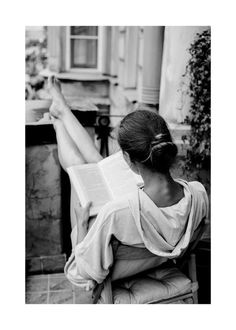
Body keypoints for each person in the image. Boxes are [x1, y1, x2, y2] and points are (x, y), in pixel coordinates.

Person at [48, 76, 209, 286]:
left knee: (78, 170)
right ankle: (61, 112)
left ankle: (58, 122)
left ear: (129, 161)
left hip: (119, 269)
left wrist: (80, 223)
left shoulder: (114, 213)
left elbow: (85, 271)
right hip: (155, 255)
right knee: (100, 165)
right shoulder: (198, 193)